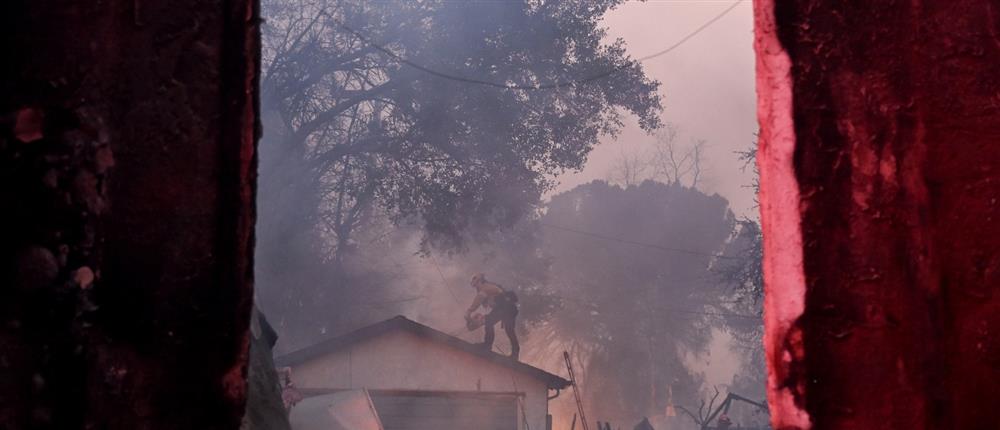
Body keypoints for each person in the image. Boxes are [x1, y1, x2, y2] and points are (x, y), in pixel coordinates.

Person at [465, 273, 520, 360]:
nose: (476, 287)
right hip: (506, 308)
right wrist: (480, 319)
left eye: (476, 285)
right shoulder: (488, 288)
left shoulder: (485, 288)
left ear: (480, 281)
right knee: (508, 330)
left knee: (492, 323)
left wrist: (469, 311)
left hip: (506, 307)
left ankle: (487, 345)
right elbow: (493, 308)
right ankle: (514, 353)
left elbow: (479, 298)